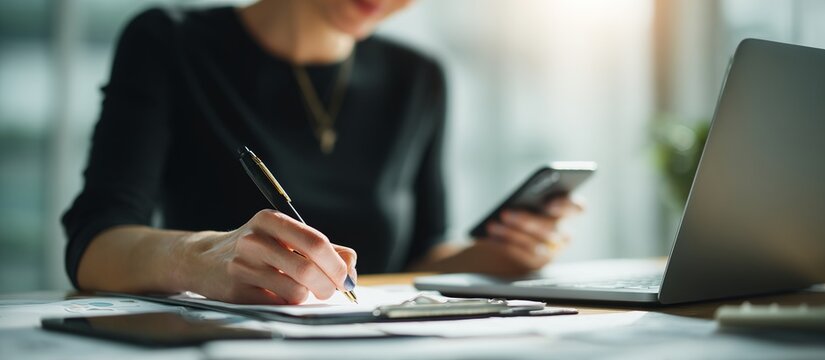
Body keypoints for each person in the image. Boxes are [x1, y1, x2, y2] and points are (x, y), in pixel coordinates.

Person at [62, 0, 583, 305]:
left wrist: (501, 255)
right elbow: (95, 242)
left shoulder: (419, 78)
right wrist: (203, 258)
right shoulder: (169, 41)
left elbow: (420, 254)